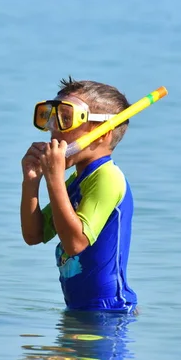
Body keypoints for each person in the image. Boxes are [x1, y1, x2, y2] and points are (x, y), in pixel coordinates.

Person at [20, 77, 138, 313]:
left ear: (103, 134)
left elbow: (75, 243)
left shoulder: (108, 179)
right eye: (50, 117)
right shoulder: (77, 182)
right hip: (81, 312)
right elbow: (34, 234)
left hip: (110, 313)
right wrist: (31, 183)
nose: (53, 128)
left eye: (66, 119)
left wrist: (54, 180)